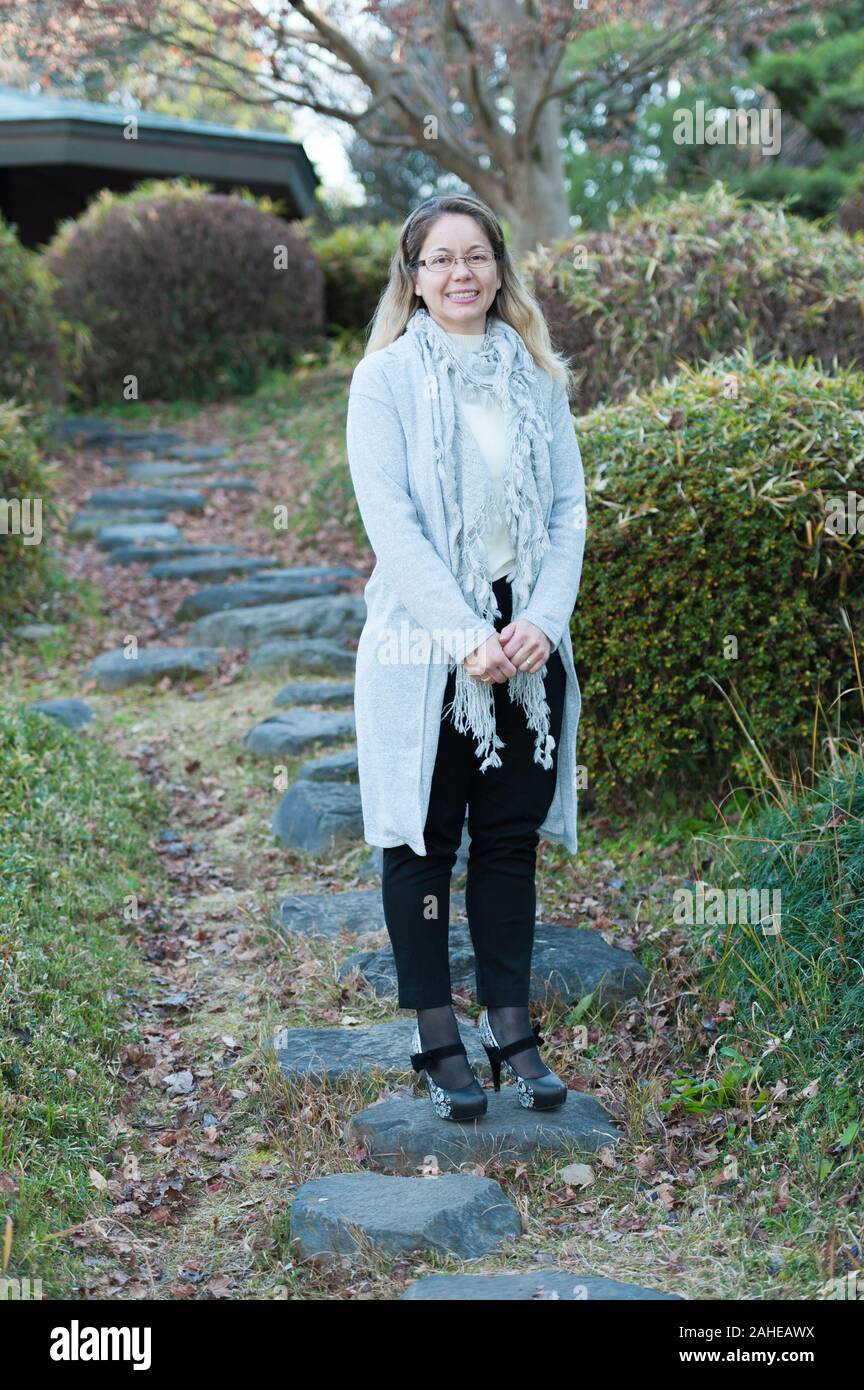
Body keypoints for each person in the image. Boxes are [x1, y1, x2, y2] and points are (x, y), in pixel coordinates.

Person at [345, 193, 587, 1122]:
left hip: (526, 627)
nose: (461, 275)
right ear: (413, 277)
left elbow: (566, 510)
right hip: (424, 638)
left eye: (477, 257)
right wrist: (462, 638)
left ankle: (512, 1027)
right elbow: (392, 524)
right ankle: (435, 1033)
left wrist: (544, 620)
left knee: (508, 842)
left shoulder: (535, 376)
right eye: (440, 260)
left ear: (499, 270)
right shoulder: (386, 382)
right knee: (421, 839)